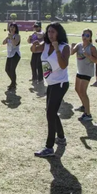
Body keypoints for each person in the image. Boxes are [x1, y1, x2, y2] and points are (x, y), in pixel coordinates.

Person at [33, 22, 71, 157]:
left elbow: (63, 64)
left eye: (53, 32)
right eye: (48, 32)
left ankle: (49, 147)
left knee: (50, 113)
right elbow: (34, 50)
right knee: (52, 112)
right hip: (50, 83)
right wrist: (35, 41)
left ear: (59, 33)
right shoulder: (46, 44)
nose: (50, 34)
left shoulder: (64, 47)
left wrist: (57, 49)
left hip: (60, 84)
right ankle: (61, 137)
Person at [71, 28, 97, 121]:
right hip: (80, 71)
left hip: (87, 72)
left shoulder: (92, 48)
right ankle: (84, 105)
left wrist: (88, 56)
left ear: (90, 37)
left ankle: (88, 114)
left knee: (83, 91)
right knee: (77, 89)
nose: (84, 37)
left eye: (87, 35)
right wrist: (72, 47)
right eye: (83, 35)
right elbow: (71, 53)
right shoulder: (79, 45)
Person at [3, 23, 21, 91]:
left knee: (12, 69)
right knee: (7, 69)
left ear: (16, 29)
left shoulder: (17, 36)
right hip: (9, 54)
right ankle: (13, 82)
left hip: (16, 54)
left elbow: (15, 44)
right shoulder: (9, 35)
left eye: (13, 27)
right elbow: (3, 43)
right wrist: (7, 38)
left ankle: (13, 84)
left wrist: (11, 37)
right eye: (11, 27)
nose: (12, 28)